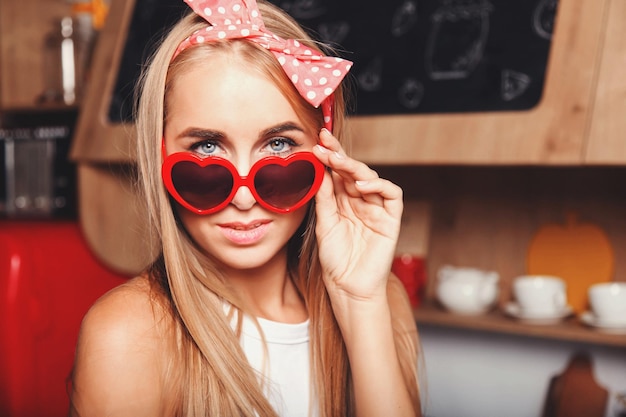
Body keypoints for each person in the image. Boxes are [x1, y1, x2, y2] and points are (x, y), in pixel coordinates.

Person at [69, 0, 422, 416]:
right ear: (159, 156)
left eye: (278, 145)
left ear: (326, 151)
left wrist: (359, 303)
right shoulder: (127, 335)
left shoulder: (382, 300)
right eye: (206, 147)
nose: (243, 196)